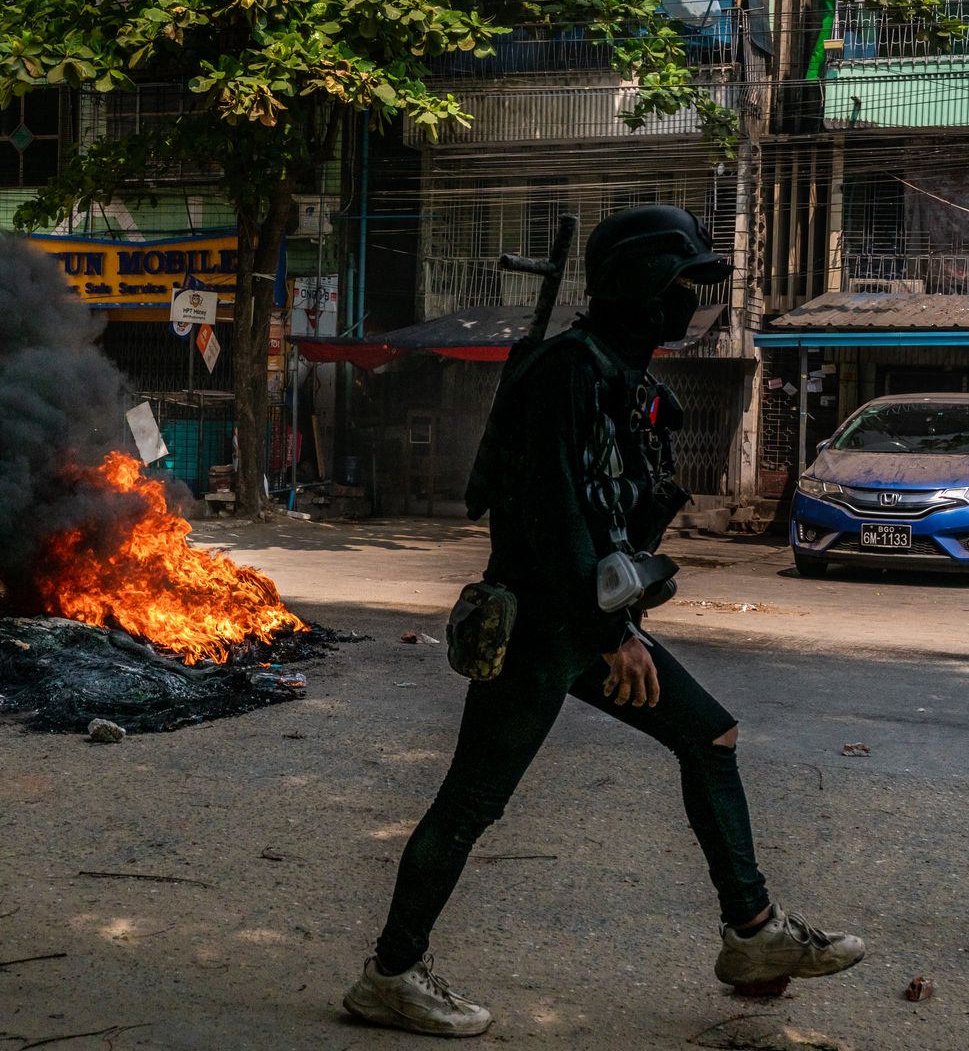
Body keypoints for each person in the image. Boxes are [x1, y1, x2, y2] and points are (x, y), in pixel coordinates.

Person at [342, 206, 866, 1038]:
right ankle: (391, 976)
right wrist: (614, 633)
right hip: (542, 624)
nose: (689, 305)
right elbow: (552, 523)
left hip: (584, 620)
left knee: (710, 735)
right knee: (472, 802)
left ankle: (753, 934)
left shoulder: (621, 379)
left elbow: (617, 516)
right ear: (638, 287)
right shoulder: (568, 372)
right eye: (680, 286)